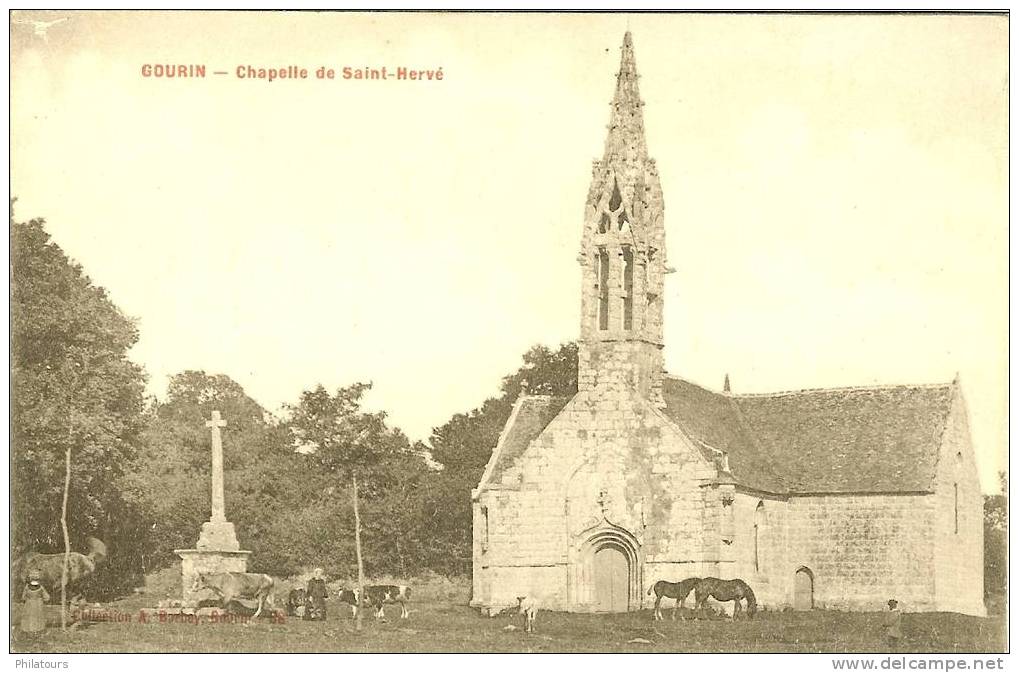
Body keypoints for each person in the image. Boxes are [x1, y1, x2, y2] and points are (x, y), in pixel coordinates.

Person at [20, 570, 50, 636]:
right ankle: (37, 631)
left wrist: (28, 599)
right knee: (38, 617)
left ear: (30, 578)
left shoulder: (27, 587)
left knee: (29, 617)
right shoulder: (41, 587)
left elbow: (23, 597)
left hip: (29, 603)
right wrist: (41, 599)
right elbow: (47, 597)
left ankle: (29, 632)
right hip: (38, 604)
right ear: (38, 578)